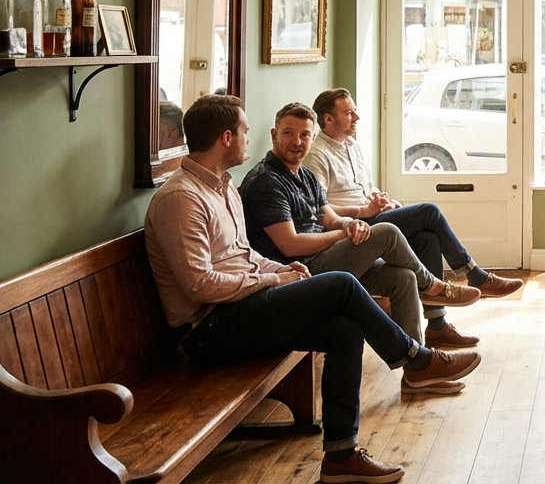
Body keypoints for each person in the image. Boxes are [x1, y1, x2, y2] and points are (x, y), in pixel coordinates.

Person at [144, 95, 479, 484]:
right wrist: (273, 279)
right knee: (341, 284)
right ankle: (417, 359)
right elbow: (198, 285)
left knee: (345, 330)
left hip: (243, 305)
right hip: (207, 329)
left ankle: (340, 456)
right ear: (226, 138)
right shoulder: (181, 198)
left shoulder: (223, 188)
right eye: (244, 131)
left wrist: (282, 269)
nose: (248, 138)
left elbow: (244, 255)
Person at [240, 102, 483, 396]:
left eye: (304, 135)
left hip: (324, 258)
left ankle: (417, 373)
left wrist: (350, 223)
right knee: (387, 231)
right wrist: (343, 233)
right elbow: (289, 245)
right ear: (274, 135)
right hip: (299, 273)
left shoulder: (304, 175)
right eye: (289, 133)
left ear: (313, 138)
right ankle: (432, 286)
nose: (297, 142)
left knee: (402, 278)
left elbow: (328, 218)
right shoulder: (266, 181)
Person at [305, 88, 524, 350]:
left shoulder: (352, 145)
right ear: (328, 118)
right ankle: (474, 275)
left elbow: (367, 188)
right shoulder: (316, 155)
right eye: (349, 113)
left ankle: (437, 326)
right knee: (428, 211)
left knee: (427, 239)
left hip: (374, 215)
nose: (357, 117)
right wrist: (364, 210)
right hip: (356, 229)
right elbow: (321, 210)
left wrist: (384, 200)